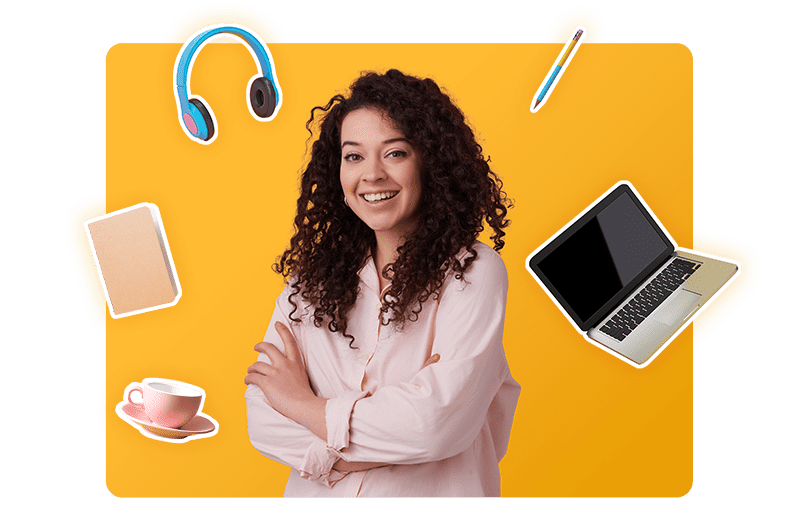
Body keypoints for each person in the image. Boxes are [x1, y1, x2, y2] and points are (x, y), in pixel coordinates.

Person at [244, 69, 520, 497]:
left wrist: (301, 403)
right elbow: (264, 418)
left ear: (429, 162)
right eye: (354, 157)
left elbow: (436, 425)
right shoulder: (308, 285)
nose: (371, 174)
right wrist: (392, 428)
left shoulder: (473, 272)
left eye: (395, 153)